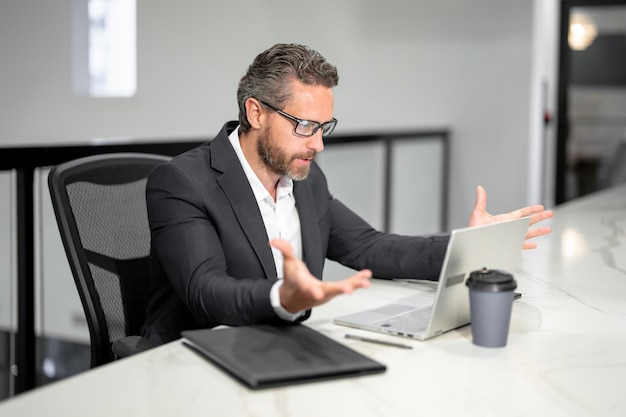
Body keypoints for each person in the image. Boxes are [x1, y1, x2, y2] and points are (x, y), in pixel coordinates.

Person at [140, 43, 553, 344]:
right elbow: (206, 292)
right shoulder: (182, 182)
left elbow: (369, 247)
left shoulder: (306, 180)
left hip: (279, 346)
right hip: (196, 359)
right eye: (305, 126)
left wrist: (468, 247)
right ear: (255, 112)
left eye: (324, 127)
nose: (318, 145)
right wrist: (283, 297)